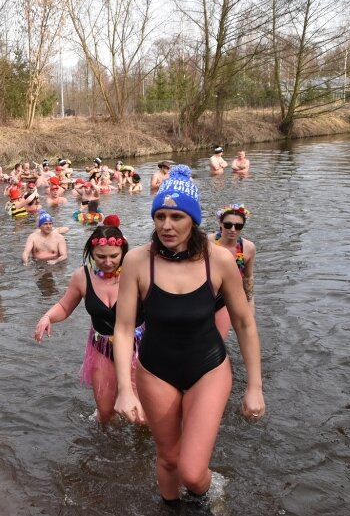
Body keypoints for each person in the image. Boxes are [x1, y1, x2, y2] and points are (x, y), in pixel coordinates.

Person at [112, 166, 265, 504]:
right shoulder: (138, 262)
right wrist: (125, 389)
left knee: (192, 472)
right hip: (155, 370)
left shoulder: (220, 260)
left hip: (208, 369)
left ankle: (210, 490)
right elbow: (123, 329)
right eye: (160, 216)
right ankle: (171, 508)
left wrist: (254, 387)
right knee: (168, 458)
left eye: (177, 217)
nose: (167, 225)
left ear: (193, 220)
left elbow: (243, 323)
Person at [34, 221, 142, 424]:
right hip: (101, 347)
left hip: (138, 349)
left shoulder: (136, 274)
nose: (108, 262)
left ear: (123, 252)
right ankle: (105, 449)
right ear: (91, 252)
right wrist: (47, 316)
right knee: (105, 412)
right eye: (101, 256)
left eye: (114, 256)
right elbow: (65, 307)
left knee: (140, 415)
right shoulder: (81, 277)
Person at [209, 204, 256, 339]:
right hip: (207, 294)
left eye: (238, 226)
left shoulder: (248, 248)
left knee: (219, 339)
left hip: (229, 296)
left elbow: (248, 277)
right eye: (228, 225)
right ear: (220, 223)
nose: (233, 229)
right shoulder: (207, 242)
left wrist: (249, 306)